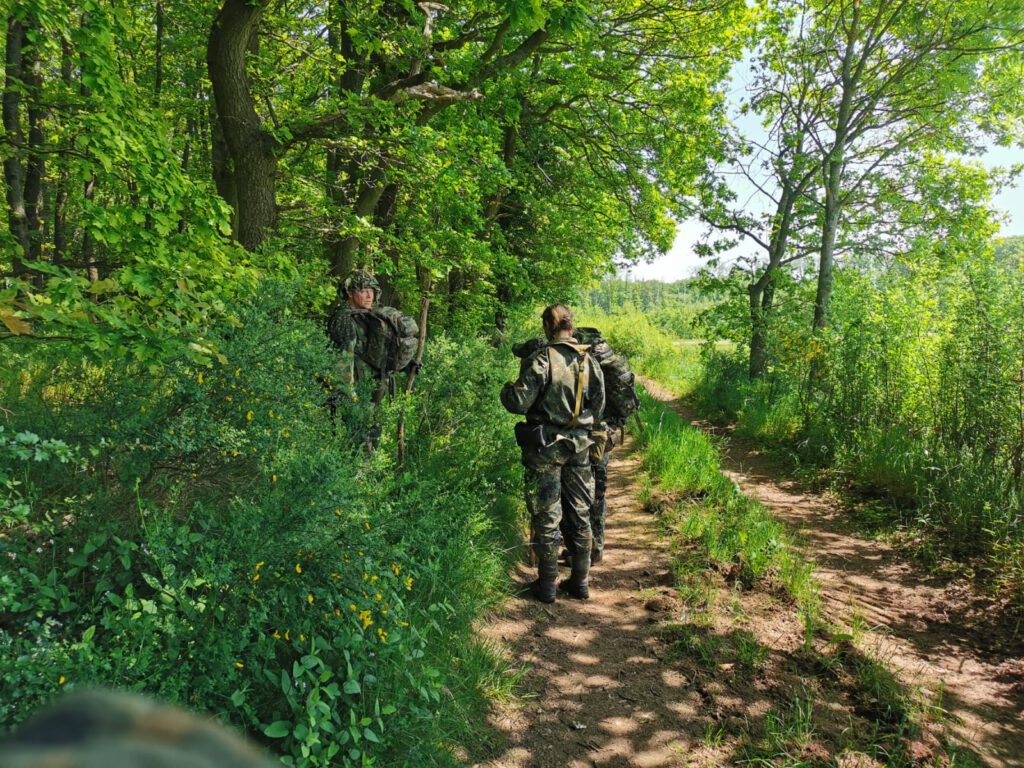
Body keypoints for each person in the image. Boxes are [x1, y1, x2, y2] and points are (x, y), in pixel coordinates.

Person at [501, 304, 605, 603]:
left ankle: (547, 585)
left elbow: (518, 402)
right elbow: (598, 407)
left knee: (547, 514)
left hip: (545, 448)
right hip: (580, 448)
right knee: (580, 512)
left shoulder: (542, 359)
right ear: (572, 327)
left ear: (548, 326)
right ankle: (580, 581)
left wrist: (507, 388)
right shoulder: (589, 361)